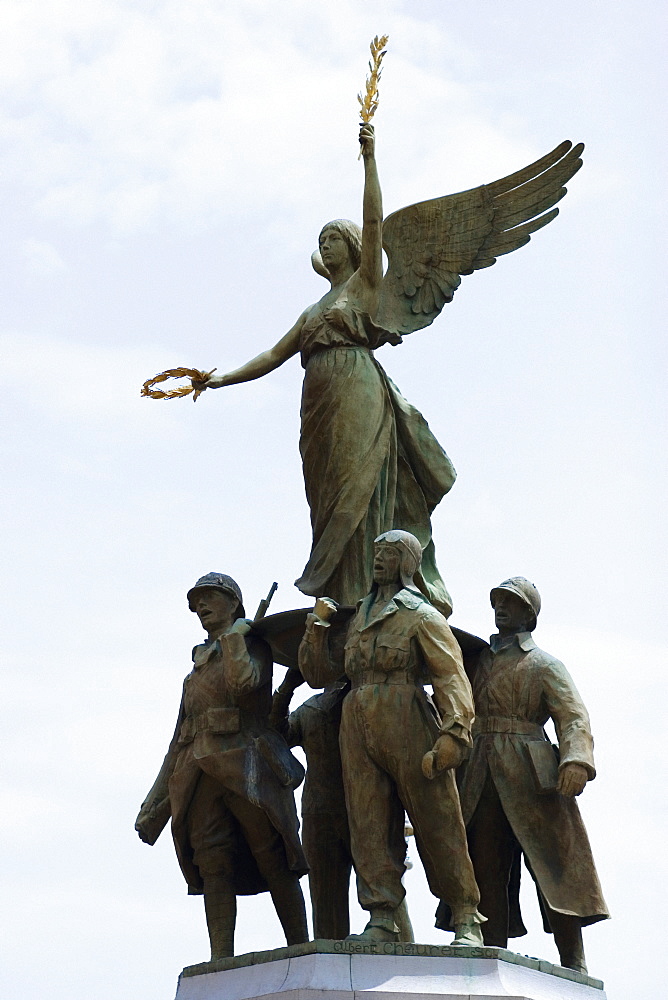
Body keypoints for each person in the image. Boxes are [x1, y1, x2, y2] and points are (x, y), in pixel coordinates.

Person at [192, 126, 455, 616]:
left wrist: (370, 158)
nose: (327, 245)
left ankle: (365, 594)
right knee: (328, 494)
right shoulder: (313, 310)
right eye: (322, 241)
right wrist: (221, 379)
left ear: (353, 246)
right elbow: (273, 356)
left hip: (357, 388)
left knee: (359, 484)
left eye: (334, 237)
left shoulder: (365, 286)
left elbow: (375, 220)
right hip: (318, 401)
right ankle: (336, 590)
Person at [298, 529, 484, 945]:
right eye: (376, 553)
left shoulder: (422, 615)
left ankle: (466, 916)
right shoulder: (359, 615)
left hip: (406, 714)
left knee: (436, 819)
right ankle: (382, 915)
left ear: (406, 563)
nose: (378, 559)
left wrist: (455, 732)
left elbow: (451, 675)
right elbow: (319, 675)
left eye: (388, 554)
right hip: (357, 719)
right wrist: (317, 627)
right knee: (368, 820)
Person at [134, 572, 309, 960]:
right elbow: (177, 739)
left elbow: (244, 685)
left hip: (246, 765)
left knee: (271, 855)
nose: (201, 606)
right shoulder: (193, 671)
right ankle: (220, 959)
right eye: (197, 601)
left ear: (234, 603)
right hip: (197, 773)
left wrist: (235, 639)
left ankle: (300, 947)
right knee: (212, 861)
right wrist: (153, 802)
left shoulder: (252, 646)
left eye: (211, 597)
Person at [447, 577, 609, 973]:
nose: (501, 608)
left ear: (529, 614)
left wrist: (575, 761)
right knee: (484, 867)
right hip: (480, 773)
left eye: (512, 603)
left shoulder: (545, 664)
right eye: (497, 601)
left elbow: (573, 717)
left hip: (534, 776)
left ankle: (574, 961)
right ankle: (489, 955)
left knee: (554, 869)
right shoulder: (473, 660)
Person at [272, 672, 414, 941]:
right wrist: (286, 689)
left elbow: (274, 732)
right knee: (339, 897)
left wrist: (287, 688)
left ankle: (401, 949)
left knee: (381, 890)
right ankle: (343, 958)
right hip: (324, 812)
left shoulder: (358, 702)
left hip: (363, 808)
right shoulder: (312, 709)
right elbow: (277, 733)